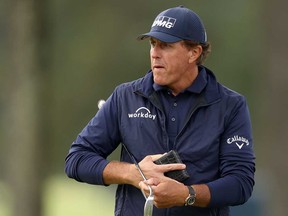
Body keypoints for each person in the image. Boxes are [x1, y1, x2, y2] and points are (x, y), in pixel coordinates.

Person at [65, 5, 255, 216]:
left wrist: (187, 194)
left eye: (165, 46)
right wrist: (133, 173)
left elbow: (240, 183)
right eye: (153, 44)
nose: (154, 54)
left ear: (194, 52)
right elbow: (77, 159)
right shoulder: (126, 97)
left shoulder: (230, 105)